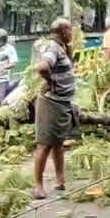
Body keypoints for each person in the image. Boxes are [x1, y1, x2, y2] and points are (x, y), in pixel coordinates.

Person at [34, 18, 79, 199]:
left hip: (63, 102)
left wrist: (69, 48)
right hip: (52, 102)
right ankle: (37, 185)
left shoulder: (61, 48)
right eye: (70, 30)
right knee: (44, 144)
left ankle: (60, 179)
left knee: (58, 143)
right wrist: (51, 81)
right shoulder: (52, 47)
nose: (72, 33)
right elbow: (43, 67)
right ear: (62, 31)